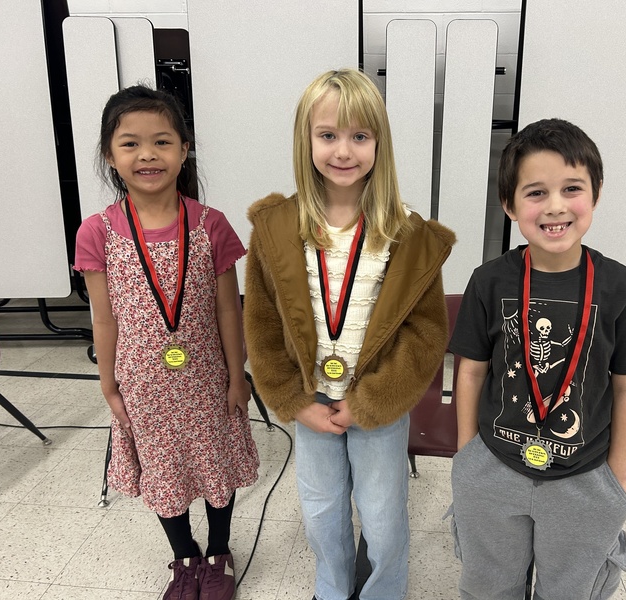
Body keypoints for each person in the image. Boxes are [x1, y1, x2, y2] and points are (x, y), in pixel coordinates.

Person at [243, 68, 455, 600]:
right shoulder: (276, 228)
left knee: (383, 513)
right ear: (305, 139)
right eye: (328, 135)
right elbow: (263, 325)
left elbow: (426, 332)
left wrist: (370, 403)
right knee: (321, 507)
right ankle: (332, 587)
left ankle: (384, 589)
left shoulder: (409, 235)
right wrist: (292, 400)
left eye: (360, 136)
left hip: (378, 403)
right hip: (310, 401)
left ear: (379, 143)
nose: (344, 150)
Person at [448, 118, 626, 600]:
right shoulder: (489, 281)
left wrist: (618, 479)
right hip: (494, 468)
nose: (556, 207)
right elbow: (471, 371)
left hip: (584, 479)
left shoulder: (624, 290)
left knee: (571, 589)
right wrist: (467, 456)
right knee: (487, 585)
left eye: (572, 188)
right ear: (509, 204)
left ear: (596, 193)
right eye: (536, 193)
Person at [73, 85, 259, 600]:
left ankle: (218, 553)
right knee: (163, 471)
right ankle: (184, 558)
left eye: (162, 141)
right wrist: (108, 382)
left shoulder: (209, 224)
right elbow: (104, 317)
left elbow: (228, 309)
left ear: (183, 150)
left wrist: (237, 375)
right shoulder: (98, 232)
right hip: (143, 385)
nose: (148, 154)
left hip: (206, 379)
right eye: (130, 144)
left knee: (214, 464)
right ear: (110, 156)